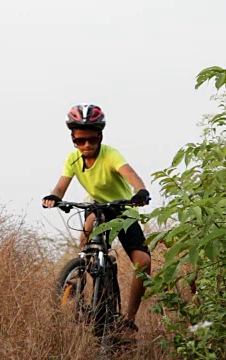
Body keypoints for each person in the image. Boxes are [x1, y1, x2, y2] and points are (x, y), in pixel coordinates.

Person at [42, 103, 151, 340]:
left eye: (91, 139)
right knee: (88, 232)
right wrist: (54, 197)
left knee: (142, 261)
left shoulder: (110, 154)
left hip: (122, 209)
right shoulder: (73, 158)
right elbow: (61, 185)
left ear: (100, 136)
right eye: (80, 141)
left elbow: (132, 176)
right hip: (97, 206)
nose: (86, 145)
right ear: (73, 139)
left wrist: (140, 191)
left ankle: (128, 322)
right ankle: (81, 275)